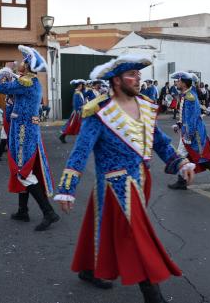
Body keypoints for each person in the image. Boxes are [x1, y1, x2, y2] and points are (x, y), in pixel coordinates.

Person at [55, 54, 196, 302]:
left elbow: (160, 143)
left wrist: (181, 162)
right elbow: (80, 152)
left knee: (103, 225)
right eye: (132, 75)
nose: (138, 79)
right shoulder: (98, 113)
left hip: (141, 181)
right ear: (117, 80)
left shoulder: (144, 105)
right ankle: (153, 295)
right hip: (115, 186)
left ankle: (89, 268)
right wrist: (67, 188)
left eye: (139, 75)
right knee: (136, 238)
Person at [0, 46, 59, 232]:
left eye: (23, 61)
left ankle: (48, 212)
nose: (19, 63)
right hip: (25, 127)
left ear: (28, 65)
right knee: (21, 170)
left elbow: (1, 87)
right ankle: (23, 210)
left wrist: (4, 71)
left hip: (23, 129)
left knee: (23, 170)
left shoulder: (26, 82)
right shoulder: (29, 82)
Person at [167, 71, 210, 192]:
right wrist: (179, 124)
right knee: (191, 156)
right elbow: (186, 116)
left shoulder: (189, 96)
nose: (176, 83)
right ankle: (184, 181)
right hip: (189, 132)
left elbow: (192, 118)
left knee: (200, 157)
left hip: (193, 133)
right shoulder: (187, 93)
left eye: (178, 81)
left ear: (184, 83)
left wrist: (188, 135)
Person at [60, 79, 86, 144]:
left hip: (79, 112)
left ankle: (64, 136)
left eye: (81, 85)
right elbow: (75, 104)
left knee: (77, 126)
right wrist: (79, 110)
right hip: (77, 113)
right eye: (80, 85)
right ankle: (63, 136)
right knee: (72, 125)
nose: (82, 86)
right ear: (78, 86)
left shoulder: (79, 92)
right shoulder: (77, 93)